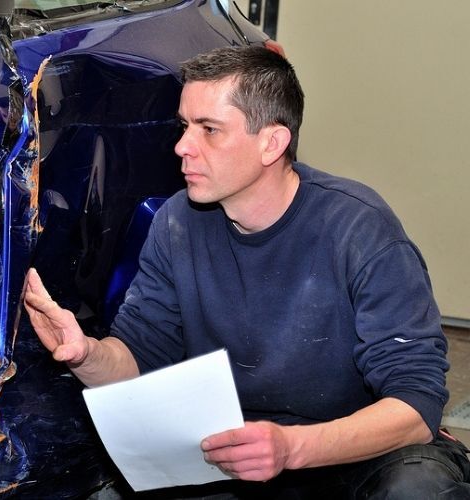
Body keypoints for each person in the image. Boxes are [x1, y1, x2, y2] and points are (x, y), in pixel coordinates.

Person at [23, 45, 470, 498]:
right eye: (184, 126)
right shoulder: (178, 224)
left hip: (352, 453)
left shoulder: (359, 229)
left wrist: (292, 448)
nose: (181, 146)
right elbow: (139, 360)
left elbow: (416, 406)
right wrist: (84, 354)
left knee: (420, 487)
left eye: (209, 130)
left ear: (271, 143)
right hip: (241, 454)